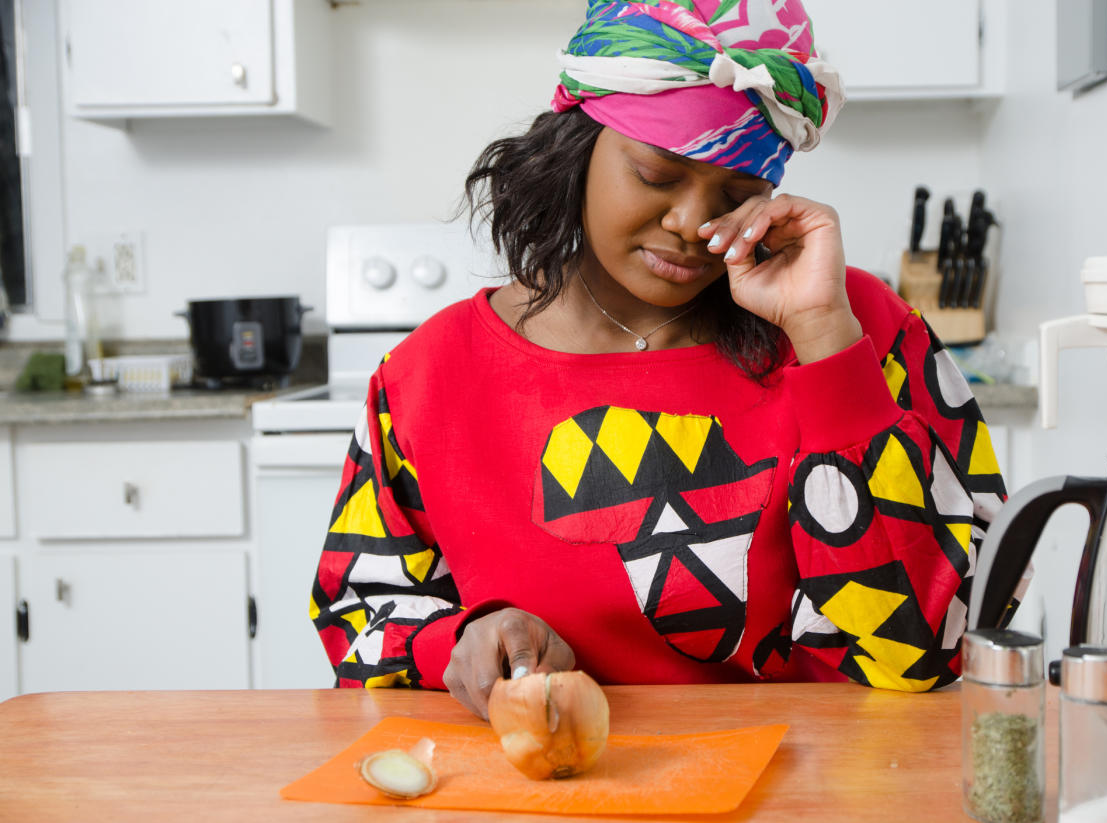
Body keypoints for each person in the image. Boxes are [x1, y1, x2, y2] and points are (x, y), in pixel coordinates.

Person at [309, 0, 1012, 719]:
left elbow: (933, 647)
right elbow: (357, 617)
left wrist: (825, 338)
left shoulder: (859, 328)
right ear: (576, 148)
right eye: (656, 174)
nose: (690, 224)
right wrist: (458, 639)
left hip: (818, 786)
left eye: (737, 194)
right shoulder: (428, 374)